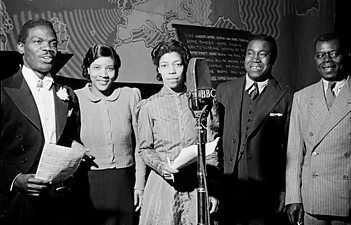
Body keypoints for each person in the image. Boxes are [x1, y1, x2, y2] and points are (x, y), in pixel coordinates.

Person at [285, 32, 351, 225]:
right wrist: (293, 197)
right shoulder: (302, 96)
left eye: (333, 54)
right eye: (320, 55)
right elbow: (295, 152)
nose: (327, 60)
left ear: (346, 54)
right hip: (311, 200)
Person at [0, 18, 86, 225]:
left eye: (53, 43)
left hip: (57, 200)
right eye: (38, 42)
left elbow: (70, 141)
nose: (47, 48)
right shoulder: (3, 91)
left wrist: (69, 175)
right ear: (21, 47)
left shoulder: (67, 95)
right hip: (14, 201)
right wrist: (15, 178)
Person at [136, 39, 220, 225]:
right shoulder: (148, 106)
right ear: (158, 69)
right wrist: (160, 166)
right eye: (164, 66)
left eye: (177, 64)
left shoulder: (203, 103)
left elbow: (212, 149)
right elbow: (145, 149)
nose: (172, 71)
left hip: (197, 185)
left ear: (185, 67)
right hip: (163, 186)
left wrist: (213, 190)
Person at [215, 34, 292, 225]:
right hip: (228, 184)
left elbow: (290, 149)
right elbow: (213, 140)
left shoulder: (286, 96)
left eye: (262, 54)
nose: (255, 59)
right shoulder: (224, 90)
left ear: (272, 59)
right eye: (250, 53)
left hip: (265, 189)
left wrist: (284, 189)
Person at [74, 44, 146, 225]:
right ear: (87, 69)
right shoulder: (75, 97)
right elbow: (65, 138)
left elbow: (141, 145)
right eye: (97, 68)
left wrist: (140, 185)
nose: (104, 74)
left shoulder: (130, 95)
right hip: (89, 182)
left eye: (110, 68)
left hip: (124, 181)